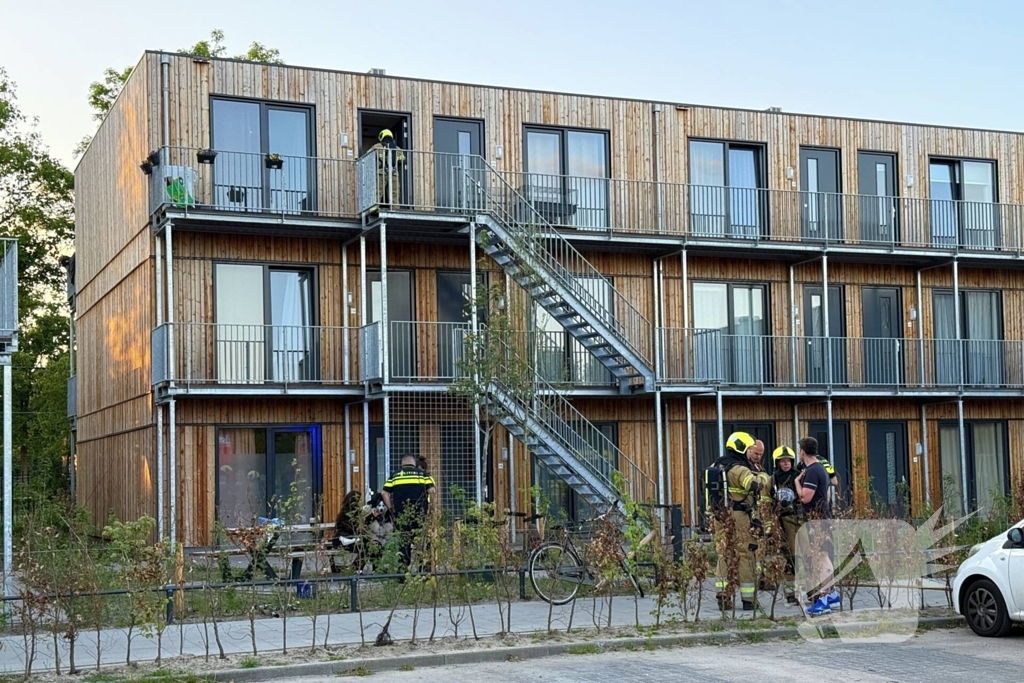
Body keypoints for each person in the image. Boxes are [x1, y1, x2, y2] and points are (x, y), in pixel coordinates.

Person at [712, 431, 767, 611]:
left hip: (720, 516)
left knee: (724, 553)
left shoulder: (717, 465)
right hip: (739, 516)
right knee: (745, 553)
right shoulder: (740, 469)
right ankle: (748, 599)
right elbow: (753, 485)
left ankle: (723, 596)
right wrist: (763, 477)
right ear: (742, 448)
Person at [793, 436, 840, 616]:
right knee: (825, 555)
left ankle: (823, 600)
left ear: (802, 452)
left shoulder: (812, 471)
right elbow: (826, 496)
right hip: (824, 517)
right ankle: (833, 594)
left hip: (816, 521)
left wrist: (797, 484)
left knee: (821, 559)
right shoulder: (822, 468)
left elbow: (805, 497)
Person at [381, 454, 436, 571]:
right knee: (423, 542)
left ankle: (402, 572)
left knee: (403, 543)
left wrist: (391, 510)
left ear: (402, 463)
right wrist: (431, 508)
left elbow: (384, 493)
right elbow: (432, 491)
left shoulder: (395, 476)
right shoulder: (423, 474)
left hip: (402, 515)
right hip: (420, 515)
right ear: (414, 463)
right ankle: (425, 570)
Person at [770, 446, 802, 604]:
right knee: (788, 556)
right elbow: (766, 501)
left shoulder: (798, 477)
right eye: (783, 461)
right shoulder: (773, 479)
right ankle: (791, 594)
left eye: (788, 460)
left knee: (800, 556)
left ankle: (810, 591)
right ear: (777, 463)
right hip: (779, 521)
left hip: (796, 519)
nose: (786, 463)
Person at [370, 129, 405, 207]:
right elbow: (402, 160)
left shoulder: (377, 146)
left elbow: (368, 156)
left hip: (381, 172)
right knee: (394, 193)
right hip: (394, 173)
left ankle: (374, 207)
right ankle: (395, 208)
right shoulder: (397, 148)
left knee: (378, 191)